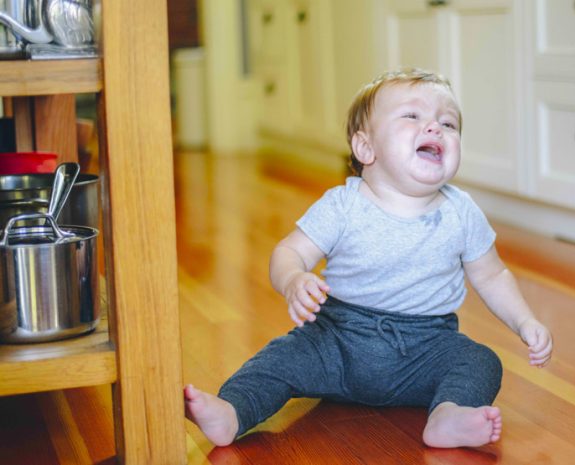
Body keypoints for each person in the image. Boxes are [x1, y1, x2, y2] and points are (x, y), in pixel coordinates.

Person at [184, 68, 554, 449]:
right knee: (279, 359)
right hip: (336, 342)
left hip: (425, 350)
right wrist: (293, 278)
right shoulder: (343, 205)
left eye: (448, 123)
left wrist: (524, 321)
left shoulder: (462, 212)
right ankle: (233, 410)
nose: (434, 128)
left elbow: (492, 276)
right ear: (366, 148)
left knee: (481, 361)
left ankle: (447, 415)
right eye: (412, 116)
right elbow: (289, 251)